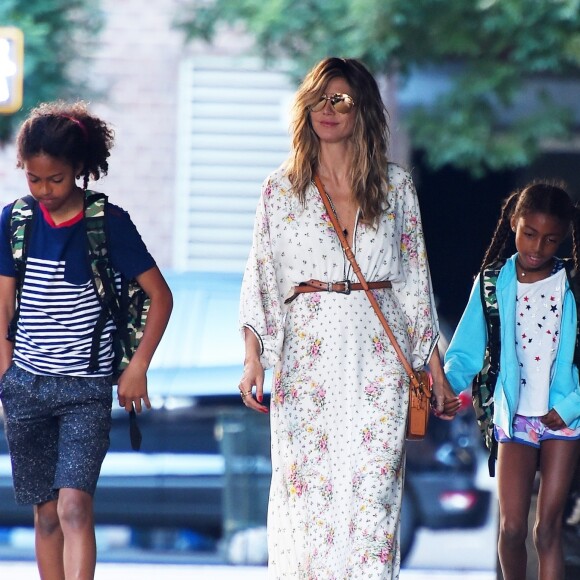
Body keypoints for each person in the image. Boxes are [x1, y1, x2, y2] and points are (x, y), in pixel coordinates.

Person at [238, 57, 459, 579]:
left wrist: (436, 371)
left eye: (341, 99)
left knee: (374, 501)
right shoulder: (280, 189)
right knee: (307, 499)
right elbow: (261, 278)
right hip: (306, 365)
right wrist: (253, 359)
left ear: (362, 110)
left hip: (379, 363)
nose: (328, 109)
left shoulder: (396, 187)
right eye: (319, 98)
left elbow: (413, 284)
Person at [0, 101, 173, 579]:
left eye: (55, 179)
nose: (44, 190)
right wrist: (6, 374)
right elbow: (3, 305)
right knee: (46, 513)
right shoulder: (15, 221)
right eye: (34, 179)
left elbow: (160, 296)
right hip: (26, 388)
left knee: (75, 506)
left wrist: (136, 367)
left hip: (86, 390)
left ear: (79, 169)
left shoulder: (107, 223)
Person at [443, 182, 580, 580]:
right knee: (513, 527)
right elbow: (465, 352)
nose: (537, 247)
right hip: (514, 417)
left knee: (548, 528)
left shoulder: (572, 285)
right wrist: (448, 388)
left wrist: (570, 407)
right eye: (529, 234)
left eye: (551, 239)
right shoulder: (491, 284)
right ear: (513, 224)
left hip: (564, 419)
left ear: (565, 238)